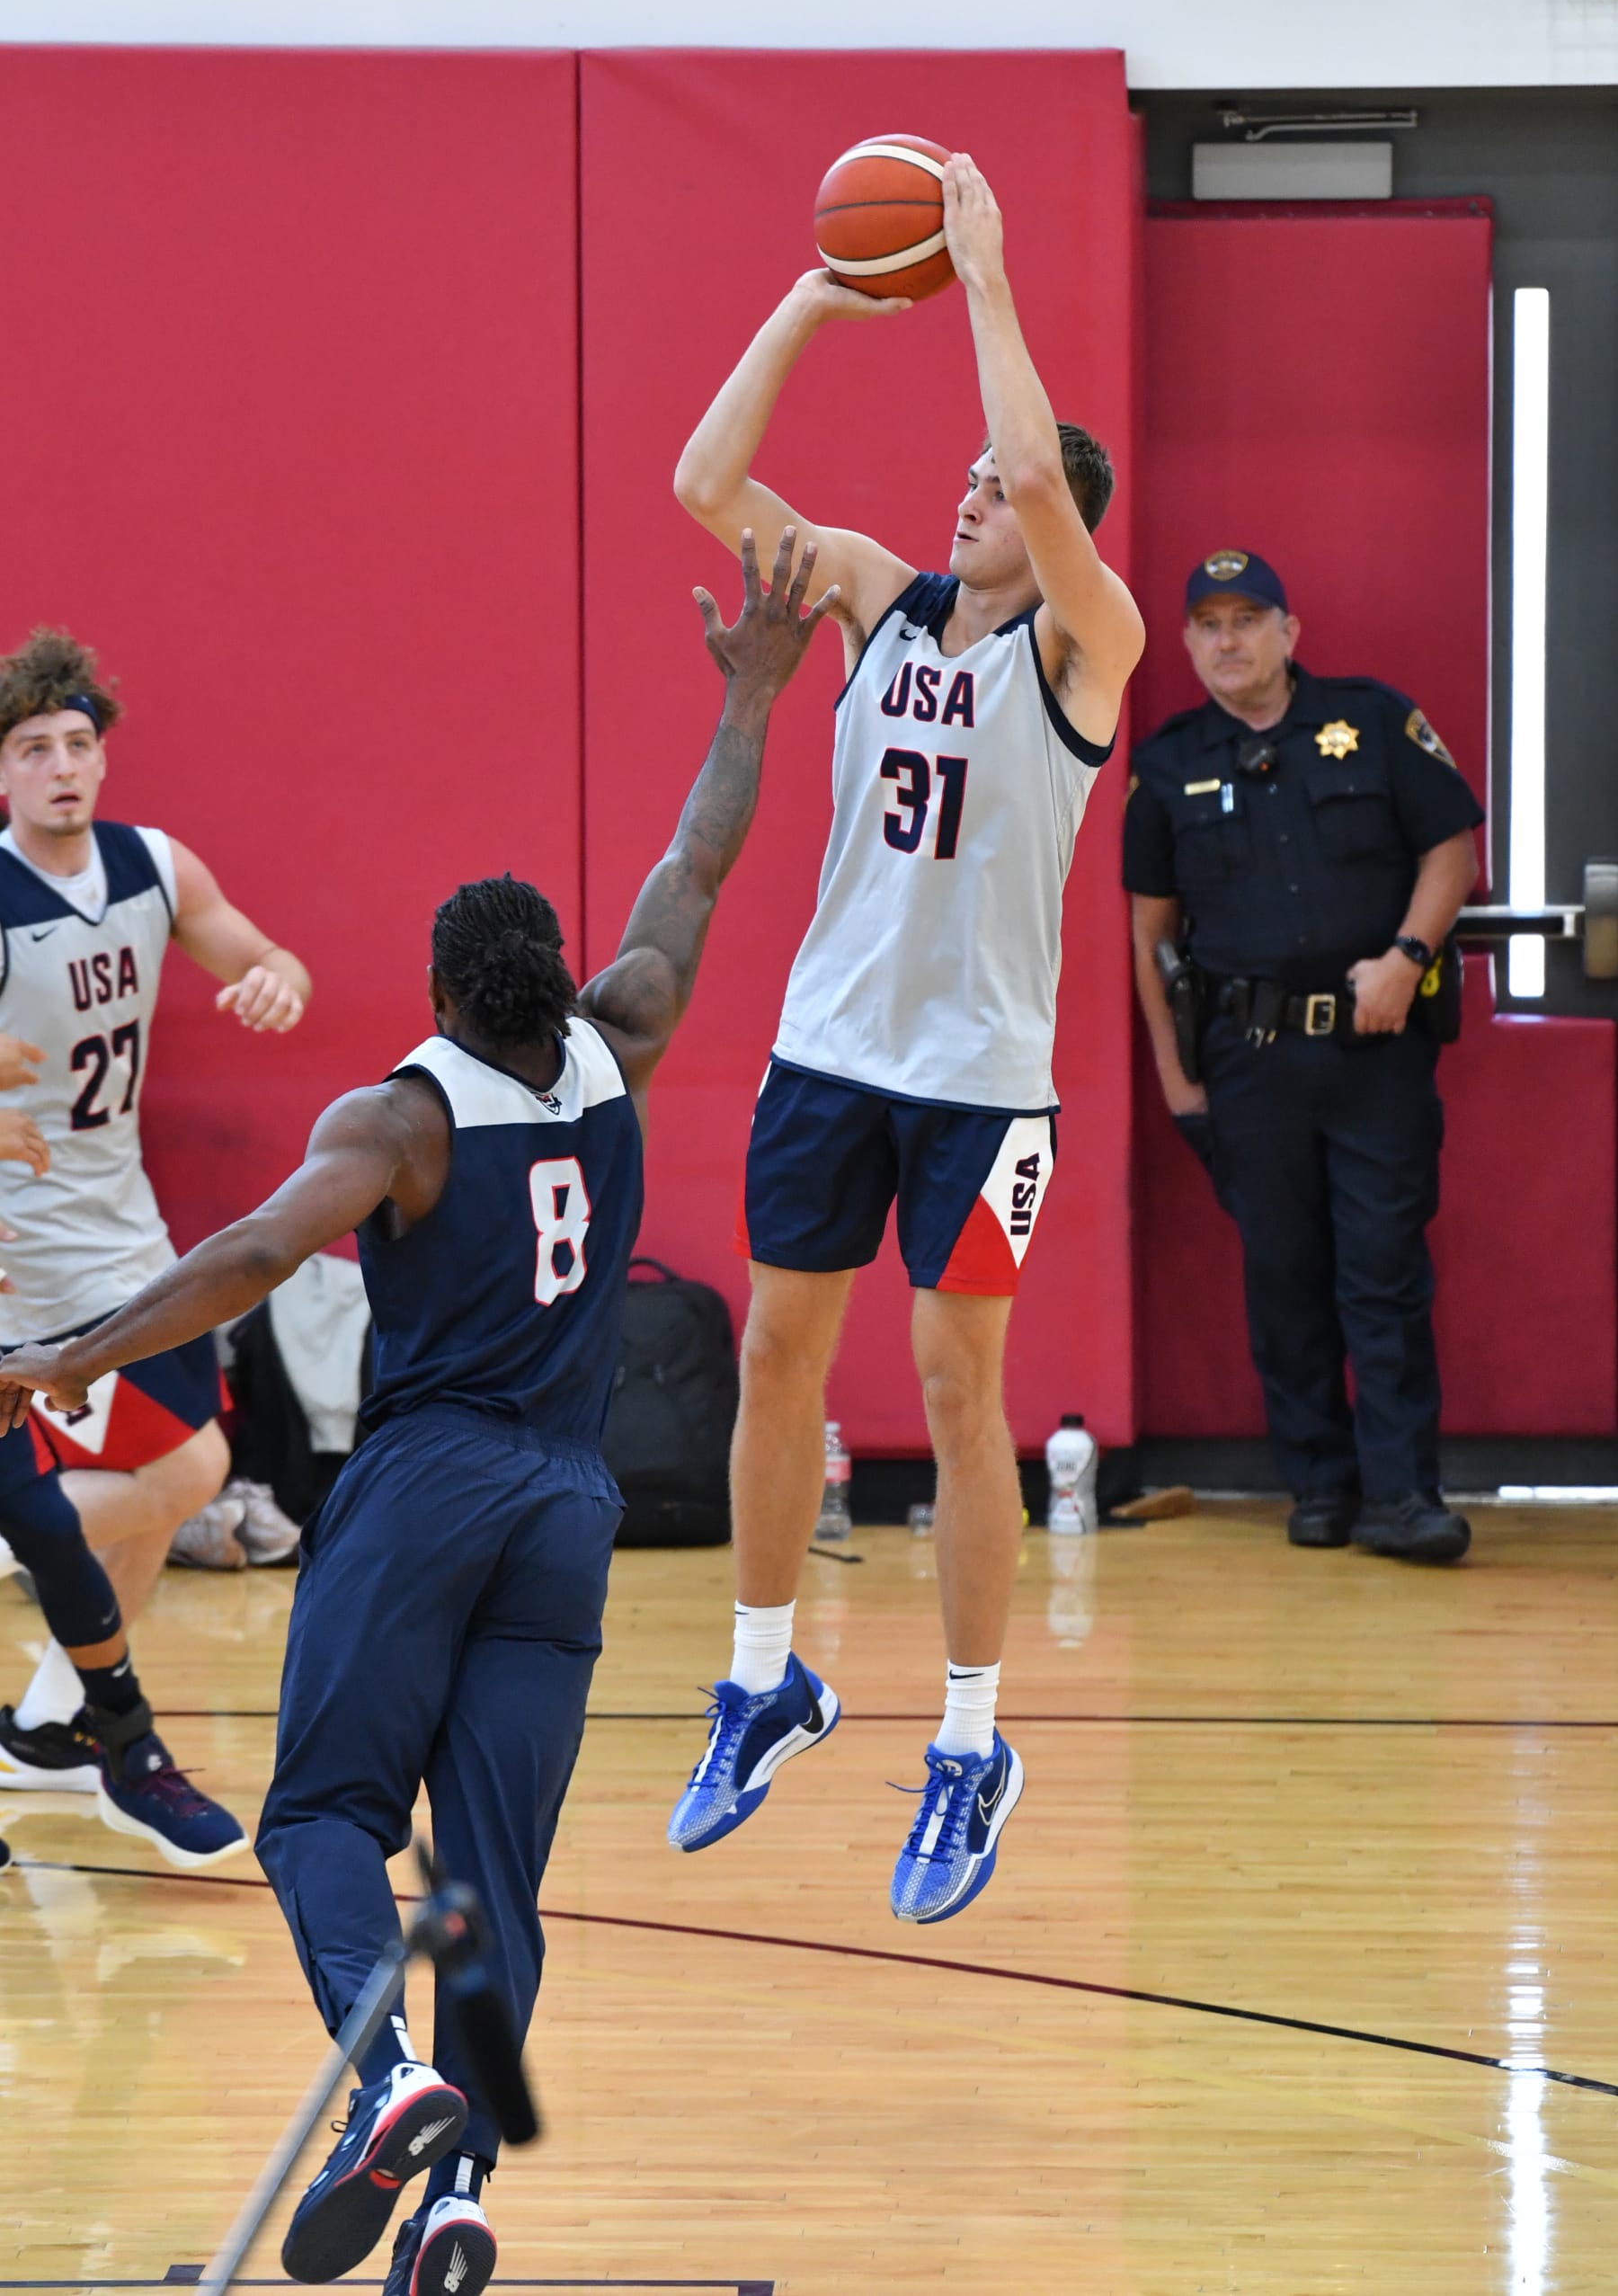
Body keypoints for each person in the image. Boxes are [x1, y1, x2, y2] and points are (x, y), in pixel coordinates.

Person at [0, 536, 836, 2296]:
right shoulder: (628, 1036)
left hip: (434, 1481)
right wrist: (757, 690)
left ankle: (385, 2094)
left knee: (320, 1823)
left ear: (451, 993)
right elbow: (698, 865)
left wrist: (72, 1354)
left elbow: (236, 1257)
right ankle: (455, 2203)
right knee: (496, 1891)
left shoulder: (398, 1120)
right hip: (570, 1510)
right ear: (554, 979)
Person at [668, 155, 1143, 1923]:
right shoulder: (875, 599)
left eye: (1000, 496)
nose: (971, 501)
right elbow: (704, 481)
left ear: (1066, 532)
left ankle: (968, 1741)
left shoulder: (1093, 647)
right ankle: (765, 1676)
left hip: (983, 1090)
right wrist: (818, 297)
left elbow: (1032, 459)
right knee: (782, 1363)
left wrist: (986, 272)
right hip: (829, 1053)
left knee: (959, 1396)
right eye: (958, 485)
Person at [0, 627, 311, 1808]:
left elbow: (260, 949)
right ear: (5, 774)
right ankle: (16, 1528)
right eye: (36, 749)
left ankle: (48, 1725)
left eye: (79, 744)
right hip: (30, 1260)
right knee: (198, 1468)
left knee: (156, 1501)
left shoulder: (155, 868)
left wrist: (277, 973)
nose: (64, 765)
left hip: (132, 1237)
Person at [1125, 550, 1484, 1564]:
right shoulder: (1166, 766)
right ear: (1189, 643)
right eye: (1209, 623)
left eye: (1249, 618)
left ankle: (1405, 1497)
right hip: (1248, 1063)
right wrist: (1175, 1076)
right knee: (1283, 1280)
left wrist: (1409, 959)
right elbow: (1151, 934)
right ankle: (1320, 1488)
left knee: (1383, 1277)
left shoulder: (1372, 722)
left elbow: (1451, 847)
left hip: (1375, 1056)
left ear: (1291, 631)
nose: (1228, 640)